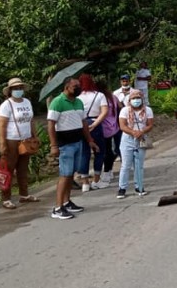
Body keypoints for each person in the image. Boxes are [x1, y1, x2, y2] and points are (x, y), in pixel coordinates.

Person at [47, 77, 97, 219]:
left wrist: (89, 140)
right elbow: (51, 125)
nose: (78, 88)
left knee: (71, 174)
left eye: (79, 85)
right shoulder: (57, 102)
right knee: (65, 175)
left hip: (77, 142)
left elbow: (84, 123)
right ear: (67, 87)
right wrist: (54, 145)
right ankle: (58, 207)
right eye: (75, 86)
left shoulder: (79, 102)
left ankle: (66, 201)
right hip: (65, 144)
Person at [0, 77, 40, 209]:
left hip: (25, 140)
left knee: (23, 168)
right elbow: (2, 125)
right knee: (7, 169)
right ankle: (6, 198)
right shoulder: (6, 105)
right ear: (10, 91)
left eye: (20, 88)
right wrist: (2, 143)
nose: (18, 90)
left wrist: (35, 135)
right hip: (11, 140)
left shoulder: (26, 102)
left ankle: (24, 194)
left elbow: (31, 120)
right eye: (15, 88)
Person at [117, 88, 154, 198]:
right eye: (134, 98)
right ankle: (122, 188)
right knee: (125, 165)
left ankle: (139, 186)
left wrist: (141, 132)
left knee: (139, 165)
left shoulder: (147, 110)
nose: (136, 100)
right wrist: (133, 132)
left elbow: (150, 124)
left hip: (141, 138)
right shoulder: (124, 110)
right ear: (130, 100)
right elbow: (122, 125)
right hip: (127, 139)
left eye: (138, 98)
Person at [77, 73, 109, 191]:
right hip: (96, 123)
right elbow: (104, 111)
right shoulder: (99, 95)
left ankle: (85, 183)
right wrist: (95, 124)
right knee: (99, 152)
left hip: (81, 124)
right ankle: (96, 180)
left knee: (84, 154)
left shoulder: (77, 97)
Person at [98, 79, 121, 185]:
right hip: (115, 126)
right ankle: (110, 169)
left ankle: (108, 170)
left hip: (103, 127)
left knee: (105, 150)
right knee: (114, 149)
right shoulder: (112, 97)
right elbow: (121, 106)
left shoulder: (99, 98)